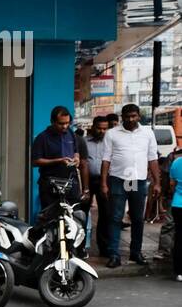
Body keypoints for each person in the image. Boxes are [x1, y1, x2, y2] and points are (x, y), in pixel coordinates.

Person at [100, 103, 160, 268]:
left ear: (139, 116)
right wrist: (103, 183)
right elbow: (106, 159)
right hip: (118, 179)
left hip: (137, 180)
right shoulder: (112, 134)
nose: (131, 119)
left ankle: (136, 252)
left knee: (137, 218)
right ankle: (114, 254)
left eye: (134, 116)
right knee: (115, 218)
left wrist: (157, 183)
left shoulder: (147, 133)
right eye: (127, 117)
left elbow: (152, 159)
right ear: (122, 117)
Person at [31, 105, 89, 209]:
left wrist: (76, 158)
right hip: (50, 184)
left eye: (67, 123)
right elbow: (35, 162)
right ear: (52, 121)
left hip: (71, 183)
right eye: (61, 123)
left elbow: (76, 152)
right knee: (50, 217)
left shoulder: (71, 134)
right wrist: (58, 161)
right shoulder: (42, 138)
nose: (65, 126)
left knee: (74, 216)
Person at [84, 116, 112, 255]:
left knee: (106, 214)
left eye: (105, 129)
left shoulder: (110, 143)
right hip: (86, 181)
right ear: (93, 126)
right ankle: (80, 246)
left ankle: (104, 247)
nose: (102, 131)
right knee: (82, 213)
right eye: (99, 128)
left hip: (104, 181)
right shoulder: (84, 142)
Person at [168, 148, 182, 282]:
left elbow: (172, 184)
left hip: (178, 204)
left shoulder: (177, 162)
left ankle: (179, 271)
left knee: (179, 238)